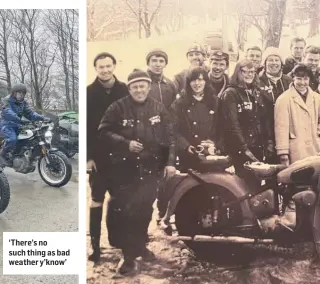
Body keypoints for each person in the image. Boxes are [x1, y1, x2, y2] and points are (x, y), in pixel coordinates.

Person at [98, 69, 176, 275]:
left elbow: (170, 138)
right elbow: (103, 131)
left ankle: (140, 245)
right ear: (129, 88)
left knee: (144, 209)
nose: (139, 90)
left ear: (148, 87)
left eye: (142, 86)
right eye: (135, 87)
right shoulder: (118, 107)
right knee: (126, 211)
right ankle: (128, 256)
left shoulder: (159, 108)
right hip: (125, 169)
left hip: (151, 169)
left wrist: (169, 163)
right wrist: (125, 143)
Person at [86, 52, 129, 263]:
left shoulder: (125, 90)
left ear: (114, 66)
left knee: (120, 201)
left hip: (121, 157)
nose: (105, 70)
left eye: (108, 66)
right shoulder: (88, 93)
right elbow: (85, 129)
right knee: (96, 201)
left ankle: (119, 242)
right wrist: (88, 157)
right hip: (99, 158)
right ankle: (95, 247)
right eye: (101, 67)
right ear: (96, 69)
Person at [219, 59, 273, 185]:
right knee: (242, 184)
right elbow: (232, 124)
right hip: (240, 149)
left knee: (256, 184)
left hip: (258, 146)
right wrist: (244, 148)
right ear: (238, 72)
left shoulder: (257, 92)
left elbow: (264, 119)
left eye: (252, 72)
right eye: (245, 72)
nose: (249, 75)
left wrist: (268, 141)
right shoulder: (231, 93)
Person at [275, 65, 320, 166]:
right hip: (295, 149)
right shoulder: (283, 99)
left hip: (314, 147)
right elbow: (281, 128)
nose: (302, 82)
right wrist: (283, 152)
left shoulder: (317, 98)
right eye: (299, 79)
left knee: (316, 177)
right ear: (293, 78)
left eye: (305, 79)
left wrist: (319, 135)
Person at [171, 66, 220, 172]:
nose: (197, 83)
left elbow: (222, 127)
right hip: (189, 155)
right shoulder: (180, 103)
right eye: (193, 80)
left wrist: (215, 144)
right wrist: (186, 146)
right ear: (188, 82)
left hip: (211, 154)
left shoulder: (215, 101)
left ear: (206, 81)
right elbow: (174, 130)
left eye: (200, 79)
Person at [0, 84, 45, 166]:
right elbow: (8, 111)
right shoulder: (7, 100)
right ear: (14, 93)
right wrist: (19, 119)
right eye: (19, 93)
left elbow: (30, 113)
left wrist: (42, 118)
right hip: (7, 125)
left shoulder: (24, 102)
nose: (21, 95)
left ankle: (19, 155)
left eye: (23, 93)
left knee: (29, 137)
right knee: (12, 139)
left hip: (19, 125)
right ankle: (1, 156)